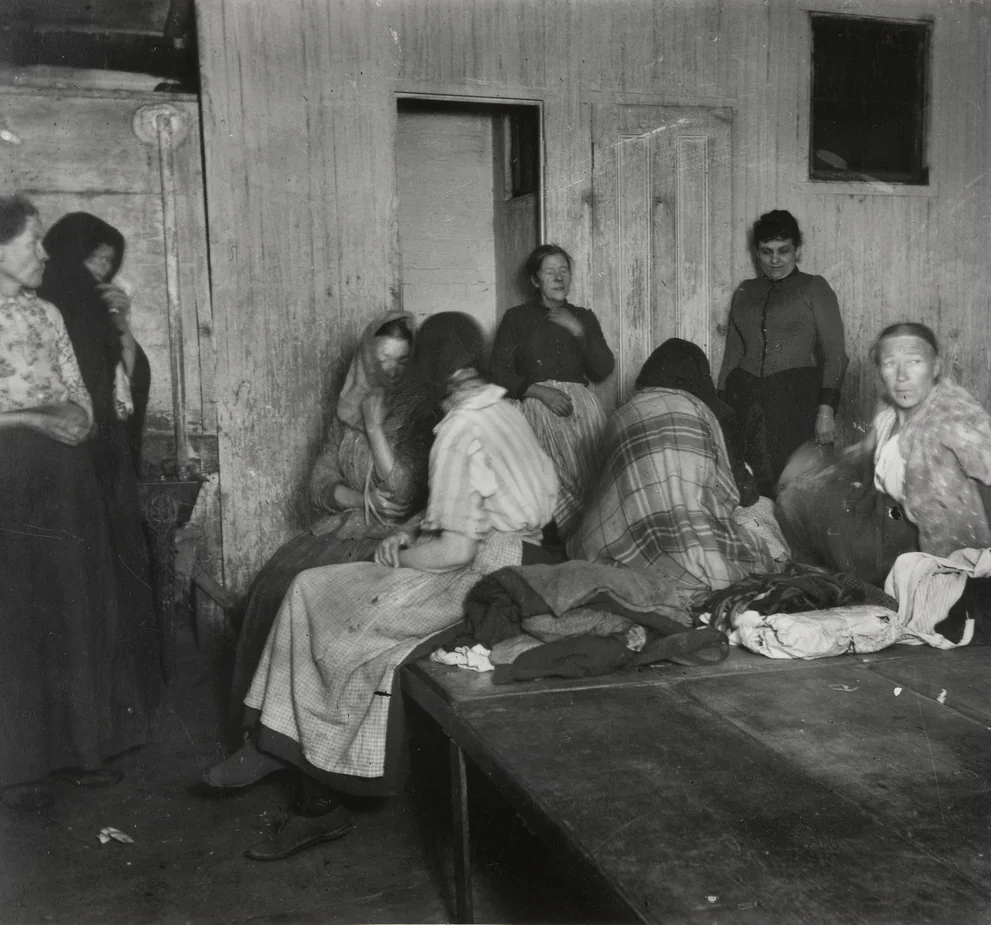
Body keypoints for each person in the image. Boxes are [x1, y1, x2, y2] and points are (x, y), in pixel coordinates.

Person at [203, 312, 559, 860]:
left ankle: (310, 792)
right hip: (525, 561)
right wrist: (414, 529)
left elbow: (456, 550)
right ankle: (277, 747)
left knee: (325, 607)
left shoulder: (457, 429)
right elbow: (477, 500)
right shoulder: (502, 411)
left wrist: (389, 556)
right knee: (310, 591)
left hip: (486, 576)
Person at [0, 196, 151, 811]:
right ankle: (6, 767)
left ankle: (77, 752)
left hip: (61, 482)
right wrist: (32, 418)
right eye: (32, 241)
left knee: (69, 610)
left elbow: (79, 398)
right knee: (0, 621)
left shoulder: (46, 315)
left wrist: (76, 417)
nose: (42, 254)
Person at [226, 311, 439, 729]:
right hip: (344, 526)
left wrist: (376, 428)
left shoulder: (420, 412)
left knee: (328, 611)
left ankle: (315, 732)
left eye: (402, 359)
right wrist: (356, 498)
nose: (391, 370)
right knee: (273, 588)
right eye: (382, 358)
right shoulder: (347, 409)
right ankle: (264, 734)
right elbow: (318, 484)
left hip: (393, 536)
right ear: (365, 357)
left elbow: (401, 493)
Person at [776, 322, 991, 583]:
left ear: (936, 366)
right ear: (880, 370)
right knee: (794, 497)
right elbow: (861, 455)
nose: (902, 376)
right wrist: (809, 467)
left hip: (939, 538)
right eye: (890, 363)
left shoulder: (959, 416)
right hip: (886, 523)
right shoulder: (887, 409)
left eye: (914, 361)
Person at [38, 213, 161, 697]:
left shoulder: (101, 313)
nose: (100, 271)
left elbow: (131, 387)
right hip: (64, 462)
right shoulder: (42, 310)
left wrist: (122, 325)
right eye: (94, 258)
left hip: (106, 462)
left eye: (109, 262)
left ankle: (120, 693)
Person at [569, 338, 783, 605]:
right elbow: (735, 491)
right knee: (759, 516)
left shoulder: (622, 414)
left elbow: (606, 485)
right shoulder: (705, 411)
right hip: (689, 539)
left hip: (612, 539)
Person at [718, 210, 847, 497]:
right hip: (746, 399)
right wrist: (720, 410)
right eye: (766, 252)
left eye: (783, 251)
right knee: (750, 486)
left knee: (793, 485)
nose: (774, 260)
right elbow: (732, 355)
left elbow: (836, 353)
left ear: (796, 250)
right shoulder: (745, 291)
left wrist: (826, 411)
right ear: (756, 252)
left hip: (794, 399)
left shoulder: (815, 288)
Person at [490, 244, 614, 539]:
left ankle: (582, 546)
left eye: (564, 271)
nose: (559, 278)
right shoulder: (516, 318)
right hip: (534, 408)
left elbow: (603, 368)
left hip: (580, 412)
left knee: (589, 485)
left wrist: (579, 332)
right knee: (543, 489)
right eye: (550, 272)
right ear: (535, 280)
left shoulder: (583, 317)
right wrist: (539, 392)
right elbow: (496, 370)